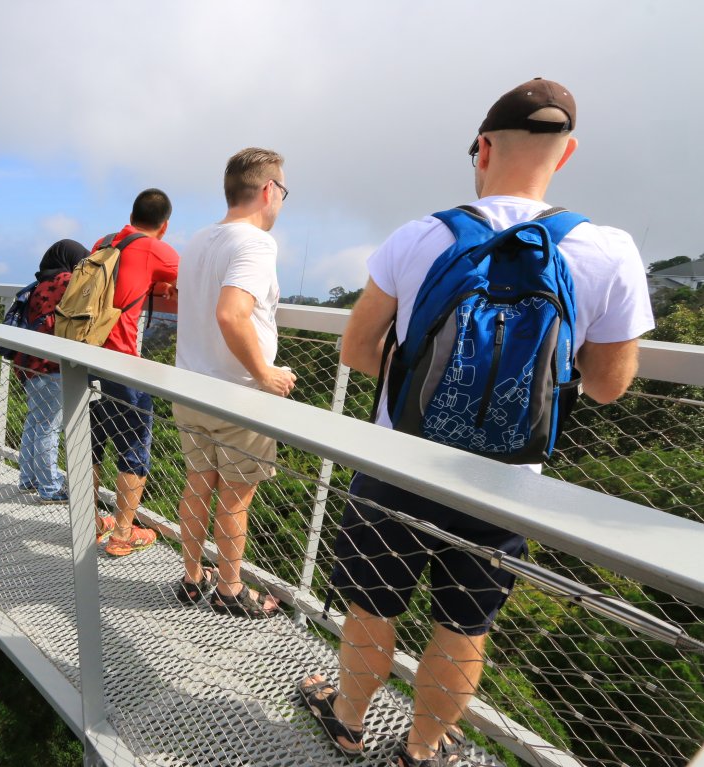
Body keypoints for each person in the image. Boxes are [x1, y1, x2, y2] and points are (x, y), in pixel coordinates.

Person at [299, 78, 654, 767]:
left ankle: (346, 720)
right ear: (568, 152)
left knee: (372, 604)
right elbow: (610, 387)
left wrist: (425, 389)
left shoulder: (423, 233)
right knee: (464, 622)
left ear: (484, 148)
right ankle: (423, 748)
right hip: (505, 482)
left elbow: (355, 348)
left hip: (398, 461)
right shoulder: (608, 251)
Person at [171, 148, 296, 618]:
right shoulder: (258, 245)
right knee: (235, 498)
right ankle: (229, 589)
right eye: (283, 191)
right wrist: (266, 374)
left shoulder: (200, 239)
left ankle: (191, 577)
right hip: (238, 395)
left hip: (191, 387)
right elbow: (231, 313)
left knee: (197, 484)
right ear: (269, 190)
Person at [90, 188, 180, 557]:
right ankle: (123, 534)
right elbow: (197, 286)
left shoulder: (105, 241)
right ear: (165, 225)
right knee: (134, 444)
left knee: (91, 441)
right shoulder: (157, 248)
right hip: (121, 359)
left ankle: (90, 519)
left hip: (84, 353)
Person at [13, 240, 91, 503]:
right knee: (49, 426)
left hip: (29, 363)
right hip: (52, 365)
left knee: (35, 421)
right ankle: (50, 488)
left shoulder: (39, 284)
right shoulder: (67, 280)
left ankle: (29, 478)